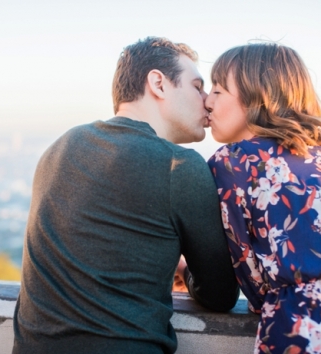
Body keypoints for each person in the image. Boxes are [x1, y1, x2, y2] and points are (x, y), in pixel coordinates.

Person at [12, 37, 240, 354]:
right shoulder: (178, 165)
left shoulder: (59, 147)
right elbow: (220, 295)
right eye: (197, 87)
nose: (207, 101)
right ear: (158, 83)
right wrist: (184, 271)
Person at [206, 43, 321, 353]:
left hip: (306, 329)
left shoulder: (233, 163)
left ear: (258, 96)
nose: (207, 101)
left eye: (217, 90)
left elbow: (253, 282)